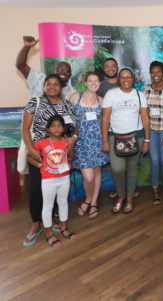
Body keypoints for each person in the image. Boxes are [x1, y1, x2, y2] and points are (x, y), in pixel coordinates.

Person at [21, 74, 78, 246]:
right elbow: (25, 128)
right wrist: (31, 149)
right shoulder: (35, 102)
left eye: (56, 84)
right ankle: (36, 224)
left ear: (62, 87)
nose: (52, 87)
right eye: (49, 84)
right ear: (44, 86)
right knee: (37, 190)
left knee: (57, 190)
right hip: (39, 153)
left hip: (60, 155)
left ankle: (52, 221)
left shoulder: (67, 105)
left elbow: (74, 126)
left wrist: (73, 139)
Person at [102, 67, 150, 214]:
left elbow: (145, 118)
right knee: (117, 169)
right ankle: (121, 195)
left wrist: (147, 140)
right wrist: (104, 140)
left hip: (136, 137)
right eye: (122, 77)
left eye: (128, 76)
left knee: (132, 169)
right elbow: (105, 119)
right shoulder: (111, 94)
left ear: (133, 79)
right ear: (118, 79)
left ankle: (129, 198)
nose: (125, 79)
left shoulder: (140, 95)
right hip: (115, 137)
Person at [27, 115, 75, 247]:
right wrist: (39, 165)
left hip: (64, 178)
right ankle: (49, 233)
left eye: (59, 125)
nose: (56, 128)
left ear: (64, 127)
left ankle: (64, 227)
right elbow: (29, 157)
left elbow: (71, 157)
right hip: (48, 180)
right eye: (53, 126)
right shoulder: (42, 143)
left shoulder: (66, 142)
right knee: (47, 206)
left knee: (63, 203)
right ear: (48, 129)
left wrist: (66, 157)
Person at [70, 72, 110, 219]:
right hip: (80, 143)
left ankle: (93, 202)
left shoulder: (102, 100)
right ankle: (88, 199)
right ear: (86, 83)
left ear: (100, 84)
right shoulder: (76, 97)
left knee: (97, 171)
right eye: (90, 81)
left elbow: (106, 122)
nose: (93, 83)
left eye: (96, 81)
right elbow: (67, 119)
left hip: (98, 142)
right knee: (88, 177)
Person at [143, 61, 163, 205]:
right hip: (151, 131)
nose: (155, 75)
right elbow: (143, 113)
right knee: (155, 160)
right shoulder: (146, 90)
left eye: (158, 72)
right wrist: (146, 136)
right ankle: (155, 189)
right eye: (153, 72)